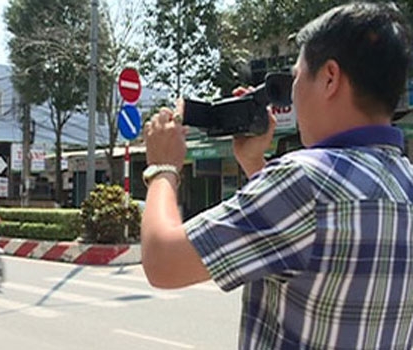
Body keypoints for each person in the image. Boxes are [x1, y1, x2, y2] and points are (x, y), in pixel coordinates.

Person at [141, 2, 413, 349]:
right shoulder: (404, 182)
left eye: (296, 78)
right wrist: (255, 162)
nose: (293, 97)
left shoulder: (304, 181)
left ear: (329, 78)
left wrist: (163, 168)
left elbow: (162, 261)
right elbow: (312, 244)